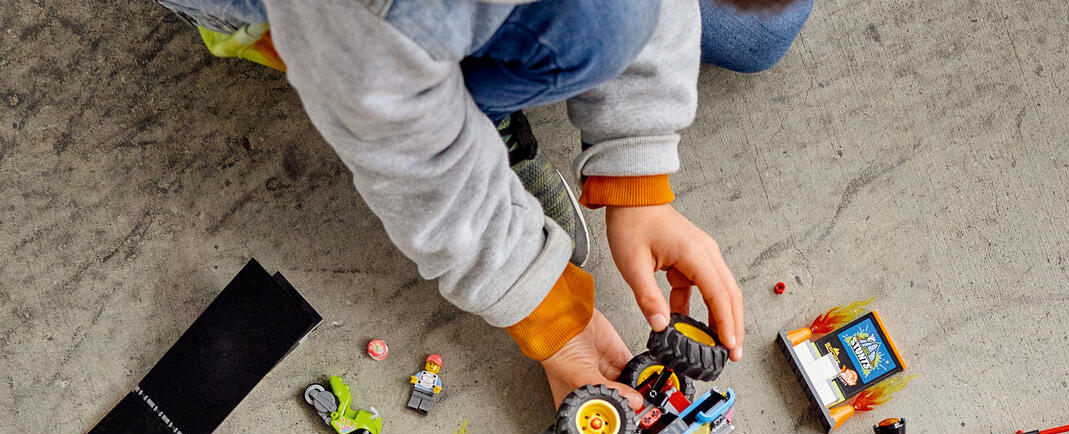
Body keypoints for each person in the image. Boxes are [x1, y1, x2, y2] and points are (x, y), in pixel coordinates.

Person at [157, 0, 813, 410]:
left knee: (764, 35)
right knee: (598, 28)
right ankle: (473, 111)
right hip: (338, 32)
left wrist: (637, 166)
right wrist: (548, 314)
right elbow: (409, 156)